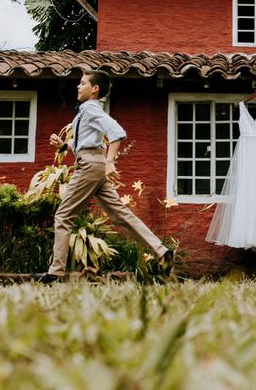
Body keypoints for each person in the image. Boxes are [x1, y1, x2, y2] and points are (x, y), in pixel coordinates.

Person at [31, 69, 173, 283]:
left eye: (82, 83)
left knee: (63, 216)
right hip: (93, 162)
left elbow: (117, 131)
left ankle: (55, 271)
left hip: (89, 166)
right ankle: (161, 252)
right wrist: (64, 146)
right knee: (120, 215)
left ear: (94, 89)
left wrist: (110, 161)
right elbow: (87, 143)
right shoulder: (86, 112)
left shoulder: (89, 109)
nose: (78, 87)